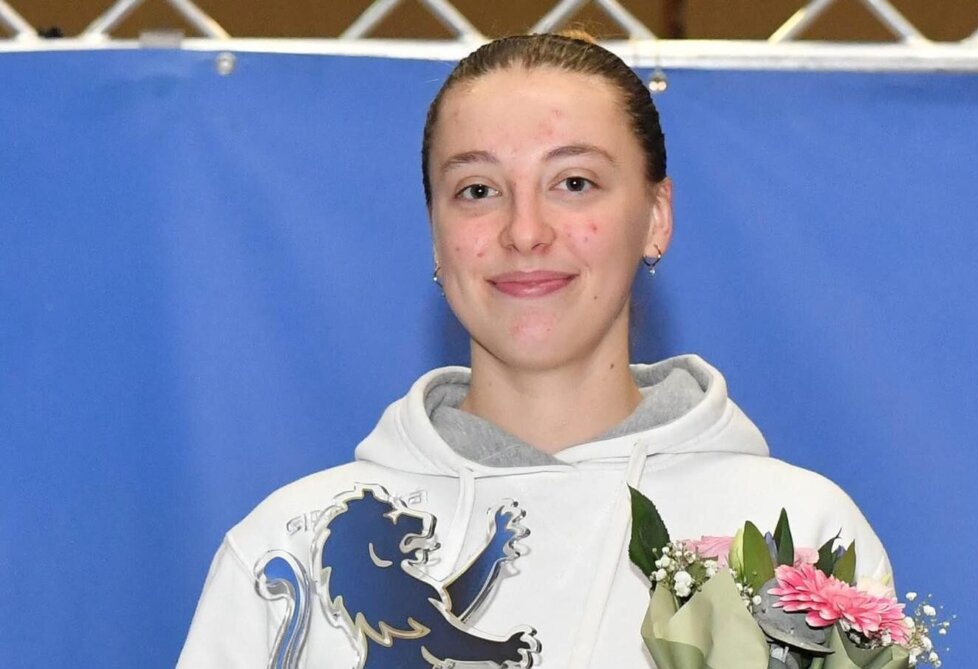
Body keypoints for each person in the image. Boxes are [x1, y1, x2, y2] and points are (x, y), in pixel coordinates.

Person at [177, 32, 893, 669]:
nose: (524, 231)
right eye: (477, 189)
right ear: (436, 235)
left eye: (574, 183)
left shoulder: (791, 535)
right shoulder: (289, 542)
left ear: (656, 217)